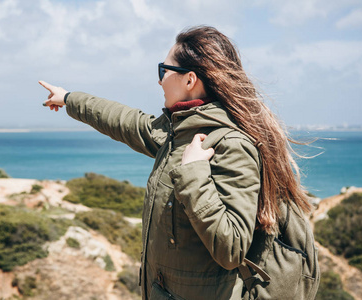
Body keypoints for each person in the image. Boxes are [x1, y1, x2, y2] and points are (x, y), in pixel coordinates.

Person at [39, 26, 313, 300]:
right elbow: (125, 120)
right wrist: (69, 99)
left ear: (190, 79)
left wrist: (193, 174)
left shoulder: (232, 145)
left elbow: (232, 249)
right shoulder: (180, 131)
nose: (160, 81)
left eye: (164, 70)